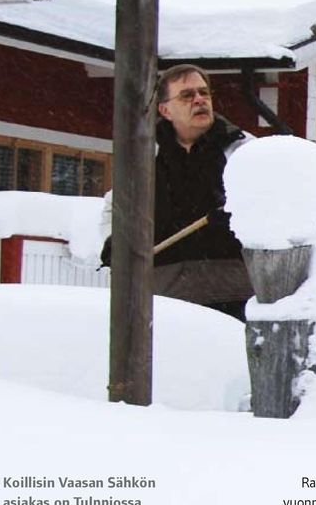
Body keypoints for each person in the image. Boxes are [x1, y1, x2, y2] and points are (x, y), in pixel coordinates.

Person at [102, 64, 253, 319]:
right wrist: (113, 243)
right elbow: (114, 207)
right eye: (187, 95)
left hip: (232, 293)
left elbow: (272, 204)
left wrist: (238, 217)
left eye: (204, 93)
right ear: (165, 110)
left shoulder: (240, 149)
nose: (199, 100)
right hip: (164, 296)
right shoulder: (147, 155)